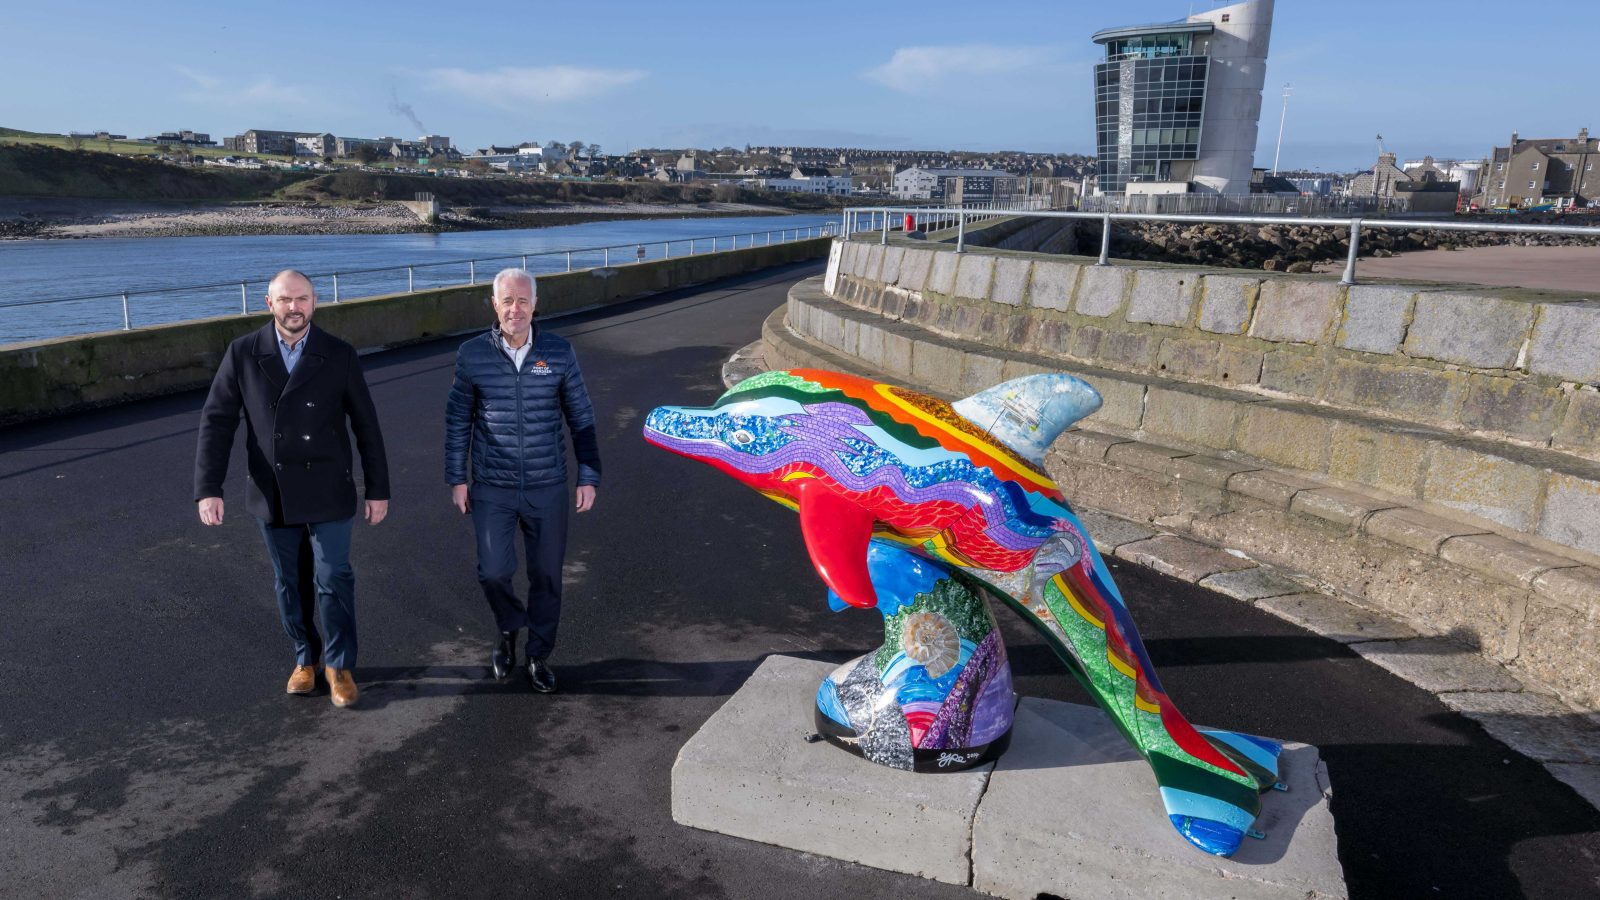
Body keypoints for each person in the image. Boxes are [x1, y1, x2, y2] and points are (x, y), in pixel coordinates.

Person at [194, 269, 390, 708]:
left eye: (302, 299)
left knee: (333, 577)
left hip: (329, 487)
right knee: (289, 581)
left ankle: (339, 665)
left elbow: (366, 425)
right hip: (272, 490)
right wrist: (208, 487)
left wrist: (378, 489)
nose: (294, 307)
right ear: (269, 303)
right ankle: (306, 657)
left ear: (315, 303)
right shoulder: (243, 353)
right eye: (285, 300)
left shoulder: (338, 353)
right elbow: (217, 422)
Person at [445, 267, 600, 693]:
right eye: (507, 301)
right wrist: (457, 478)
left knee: (547, 576)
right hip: (492, 486)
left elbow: (581, 417)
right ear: (495, 306)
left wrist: (588, 474)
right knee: (494, 572)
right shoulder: (472, 354)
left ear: (535, 305)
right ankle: (510, 627)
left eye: (523, 301)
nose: (515, 309)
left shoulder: (559, 352)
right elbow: (458, 418)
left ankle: (538, 656)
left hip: (547, 485)